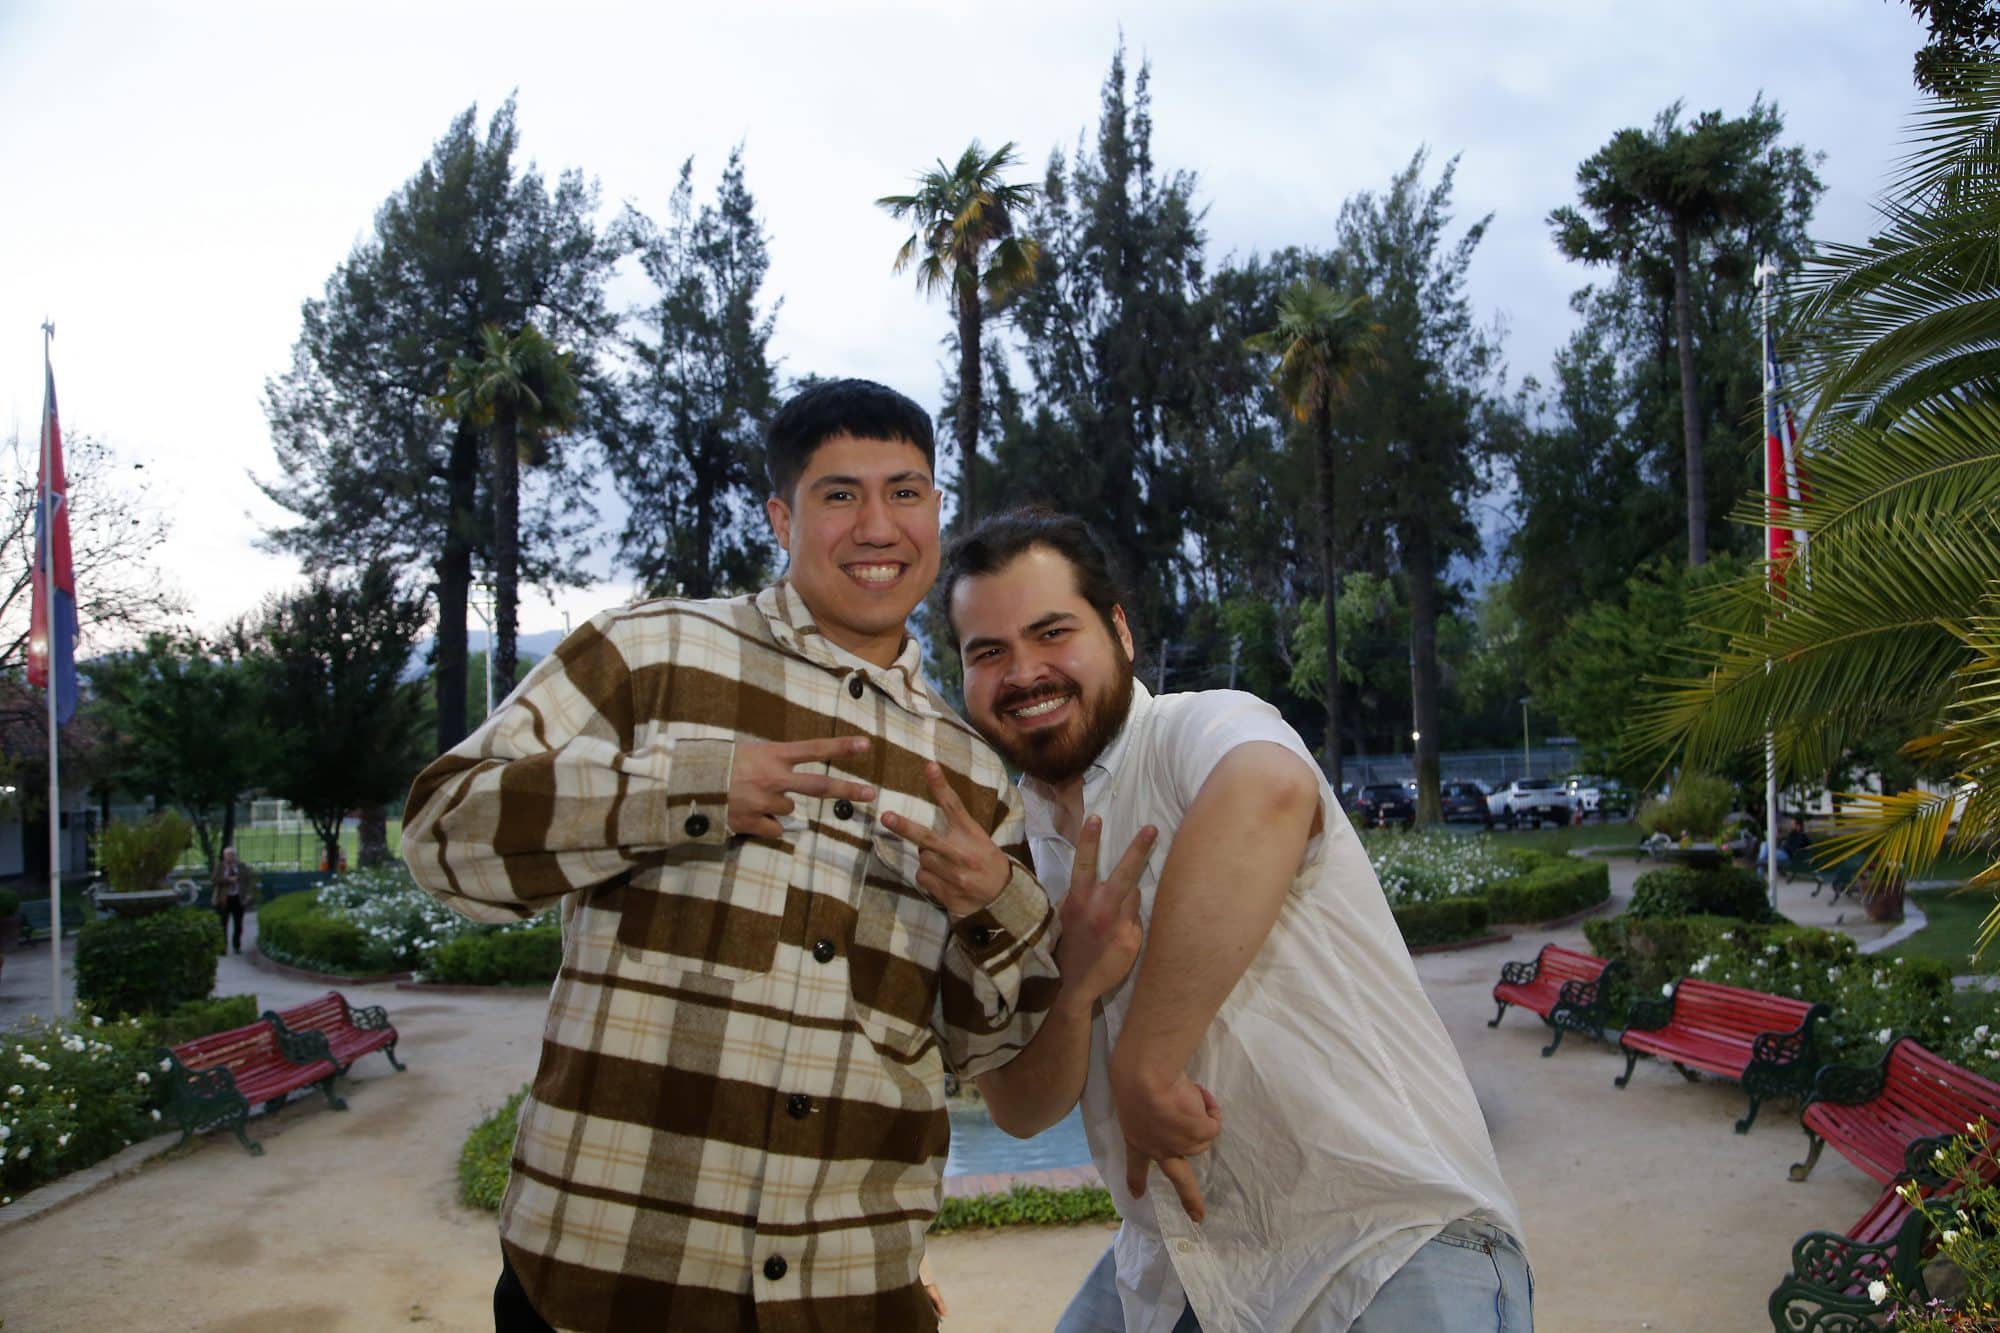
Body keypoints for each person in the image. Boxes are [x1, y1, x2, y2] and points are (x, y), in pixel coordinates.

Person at [401, 379, 1141, 1333]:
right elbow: (441, 834)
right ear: (782, 518)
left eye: (904, 491)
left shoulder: (968, 769)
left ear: (935, 510)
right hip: (610, 1286)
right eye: (840, 494)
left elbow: (992, 1057)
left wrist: (999, 902)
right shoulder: (652, 654)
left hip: (852, 1298)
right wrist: (691, 789)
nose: (878, 525)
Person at [939, 508, 1530, 1333]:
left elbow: (1269, 789)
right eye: (988, 652)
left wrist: (1146, 1065)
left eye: (1052, 633)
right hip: (1178, 1266)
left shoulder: (1196, 731)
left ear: (1119, 631)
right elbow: (1019, 1108)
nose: (1024, 672)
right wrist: (1073, 988)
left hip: (1377, 1242)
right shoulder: (1017, 859)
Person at [212, 845, 248, 954]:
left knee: (238, 924)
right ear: (224, 856)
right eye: (228, 855)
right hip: (224, 899)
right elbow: (214, 879)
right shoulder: (220, 866)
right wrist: (227, 879)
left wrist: (246, 892)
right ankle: (222, 947)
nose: (230, 857)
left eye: (232, 855)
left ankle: (236, 946)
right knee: (223, 924)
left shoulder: (241, 866)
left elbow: (247, 878)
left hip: (238, 898)